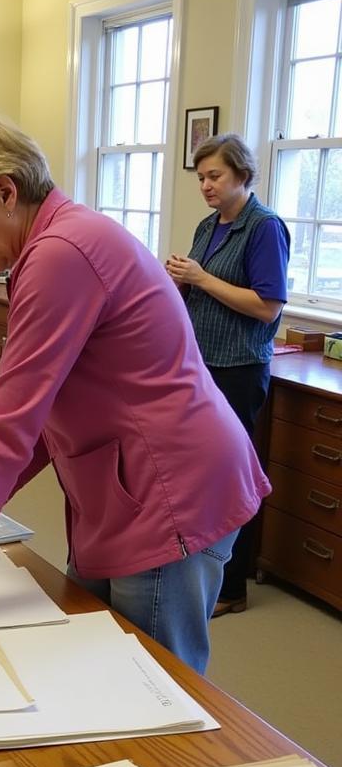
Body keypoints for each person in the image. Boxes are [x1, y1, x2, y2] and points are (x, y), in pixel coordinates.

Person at [0, 118, 269, 675]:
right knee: (93, 658)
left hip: (170, 490)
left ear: (6, 192)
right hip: (124, 487)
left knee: (150, 686)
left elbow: (7, 427)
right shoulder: (52, 245)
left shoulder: (62, 253)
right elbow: (38, 419)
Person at [166, 133, 290, 618]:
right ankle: (202, 568)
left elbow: (267, 306)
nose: (206, 186)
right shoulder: (208, 225)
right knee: (198, 472)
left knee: (230, 477)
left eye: (214, 176)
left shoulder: (264, 228)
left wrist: (201, 278)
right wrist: (178, 281)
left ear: (241, 174)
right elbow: (198, 291)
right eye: (201, 178)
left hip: (237, 369)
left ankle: (231, 587)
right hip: (201, 363)